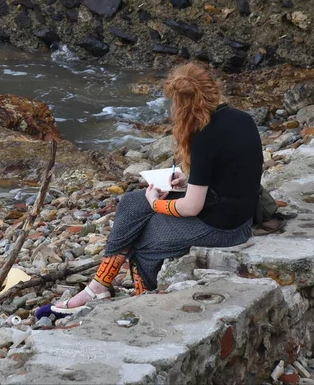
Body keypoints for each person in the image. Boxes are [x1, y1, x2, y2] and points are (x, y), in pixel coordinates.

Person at [38, 62, 263, 318]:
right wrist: (188, 182)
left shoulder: (205, 136)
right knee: (132, 202)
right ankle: (99, 286)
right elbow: (232, 175)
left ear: (182, 104)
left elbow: (192, 207)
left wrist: (157, 204)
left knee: (143, 241)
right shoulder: (242, 119)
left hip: (226, 230)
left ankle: (141, 301)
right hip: (235, 212)